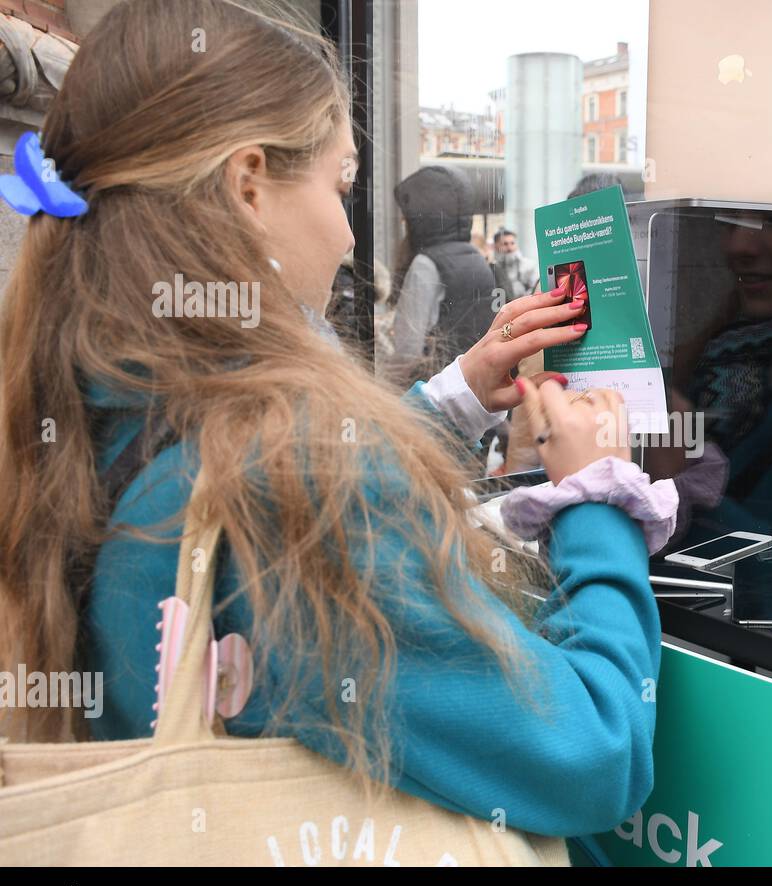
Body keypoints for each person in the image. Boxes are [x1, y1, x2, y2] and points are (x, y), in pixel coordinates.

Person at [0, 0, 676, 842]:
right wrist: (597, 500)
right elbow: (591, 753)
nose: (351, 239)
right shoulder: (293, 478)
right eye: (339, 186)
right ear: (249, 185)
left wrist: (457, 395)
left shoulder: (78, 396)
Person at [388, 164, 498, 381]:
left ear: (421, 220)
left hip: (437, 390)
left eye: (407, 218)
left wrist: (384, 391)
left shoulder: (426, 264)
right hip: (472, 386)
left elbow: (407, 349)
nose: (403, 223)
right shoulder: (477, 258)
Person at [490, 227, 539, 302]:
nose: (510, 248)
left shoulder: (528, 265)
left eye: (512, 243)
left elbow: (536, 289)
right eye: (505, 244)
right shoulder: (493, 269)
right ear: (496, 246)